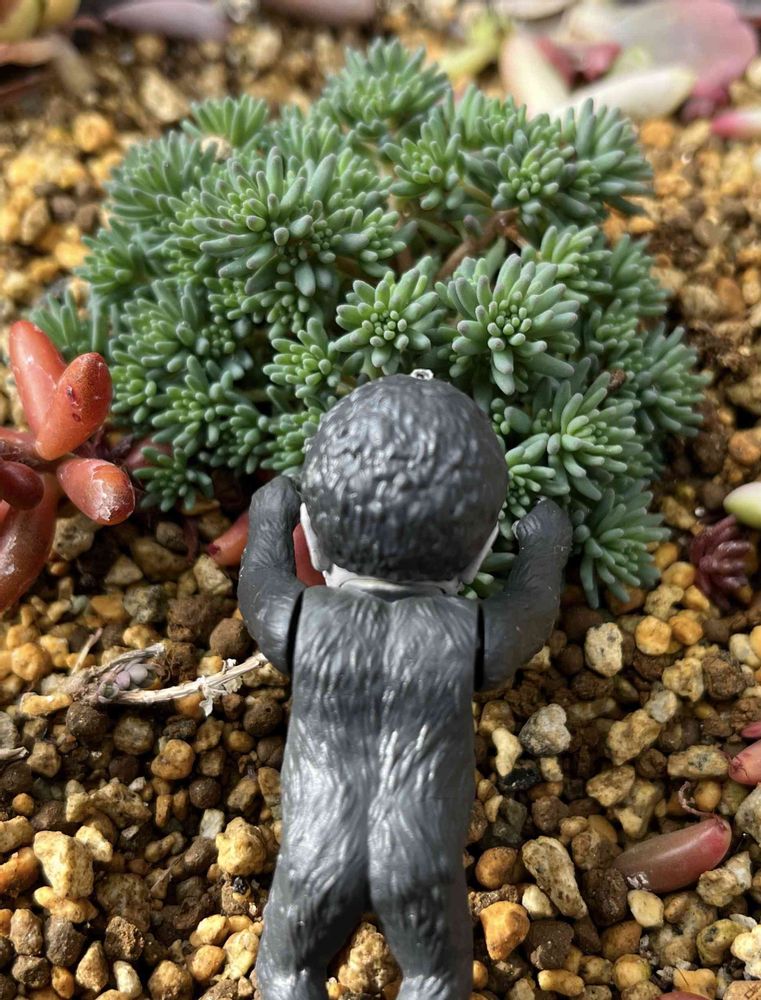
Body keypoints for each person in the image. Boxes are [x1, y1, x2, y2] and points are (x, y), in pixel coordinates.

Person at [239, 372, 572, 1000]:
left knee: (287, 972)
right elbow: (531, 611)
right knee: (434, 976)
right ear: (478, 554)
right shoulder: (466, 635)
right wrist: (544, 549)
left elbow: (260, 584)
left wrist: (267, 518)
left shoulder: (305, 620)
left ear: (312, 534)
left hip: (316, 850)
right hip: (417, 855)